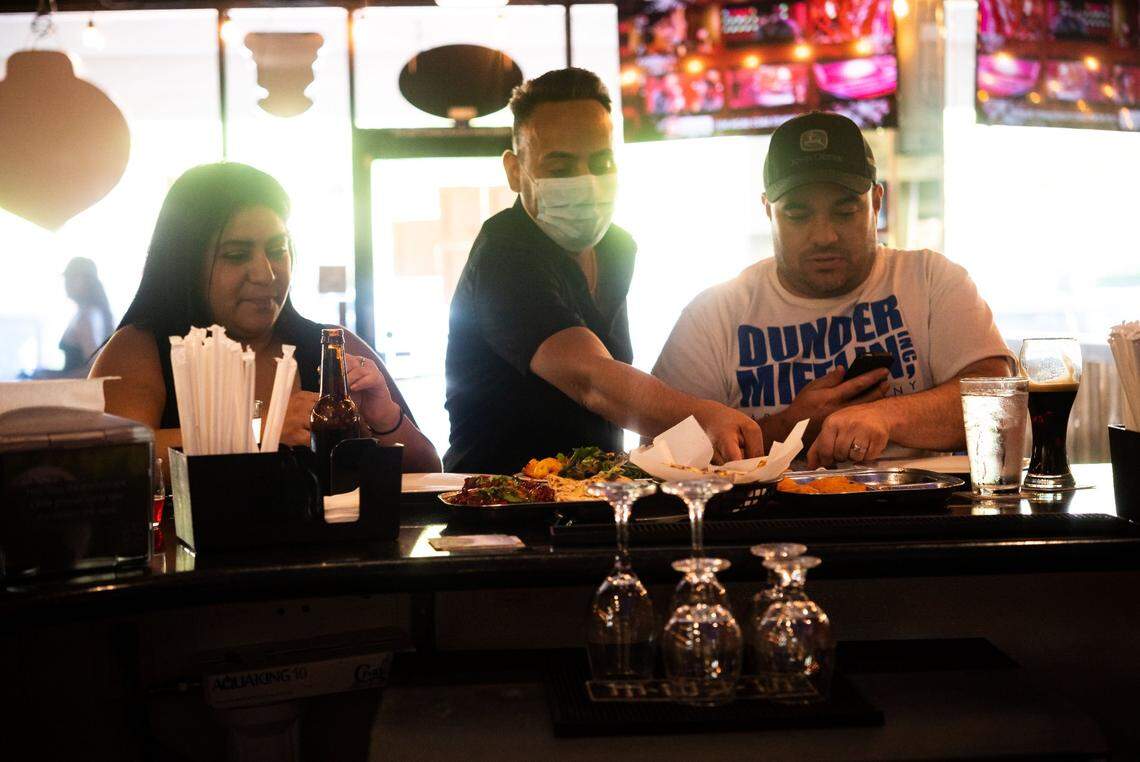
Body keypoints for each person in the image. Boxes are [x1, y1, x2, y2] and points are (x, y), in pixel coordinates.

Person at [444, 67, 763, 474]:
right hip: (501, 505)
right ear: (513, 171)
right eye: (560, 168)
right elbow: (592, 380)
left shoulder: (616, 246)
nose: (586, 181)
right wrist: (701, 415)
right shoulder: (504, 255)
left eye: (601, 161)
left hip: (592, 498)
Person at [652, 111, 1013, 468]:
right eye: (797, 215)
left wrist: (886, 417)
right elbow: (658, 452)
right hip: (765, 524)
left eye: (845, 212)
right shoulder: (715, 315)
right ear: (768, 211)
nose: (824, 236)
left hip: (917, 516)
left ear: (875, 202)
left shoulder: (931, 280)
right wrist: (794, 427)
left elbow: (1003, 402)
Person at [91, 162, 441, 473]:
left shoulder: (331, 346)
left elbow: (429, 470)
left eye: (277, 250)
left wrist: (383, 419)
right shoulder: (140, 348)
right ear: (185, 264)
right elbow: (116, 459)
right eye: (236, 254)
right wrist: (261, 431)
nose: (266, 274)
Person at [60, 257, 114, 372]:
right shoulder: (86, 313)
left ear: (88, 281)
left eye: (73, 277)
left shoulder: (87, 317)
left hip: (77, 390)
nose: (67, 283)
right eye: (67, 277)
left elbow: (94, 368)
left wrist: (52, 379)